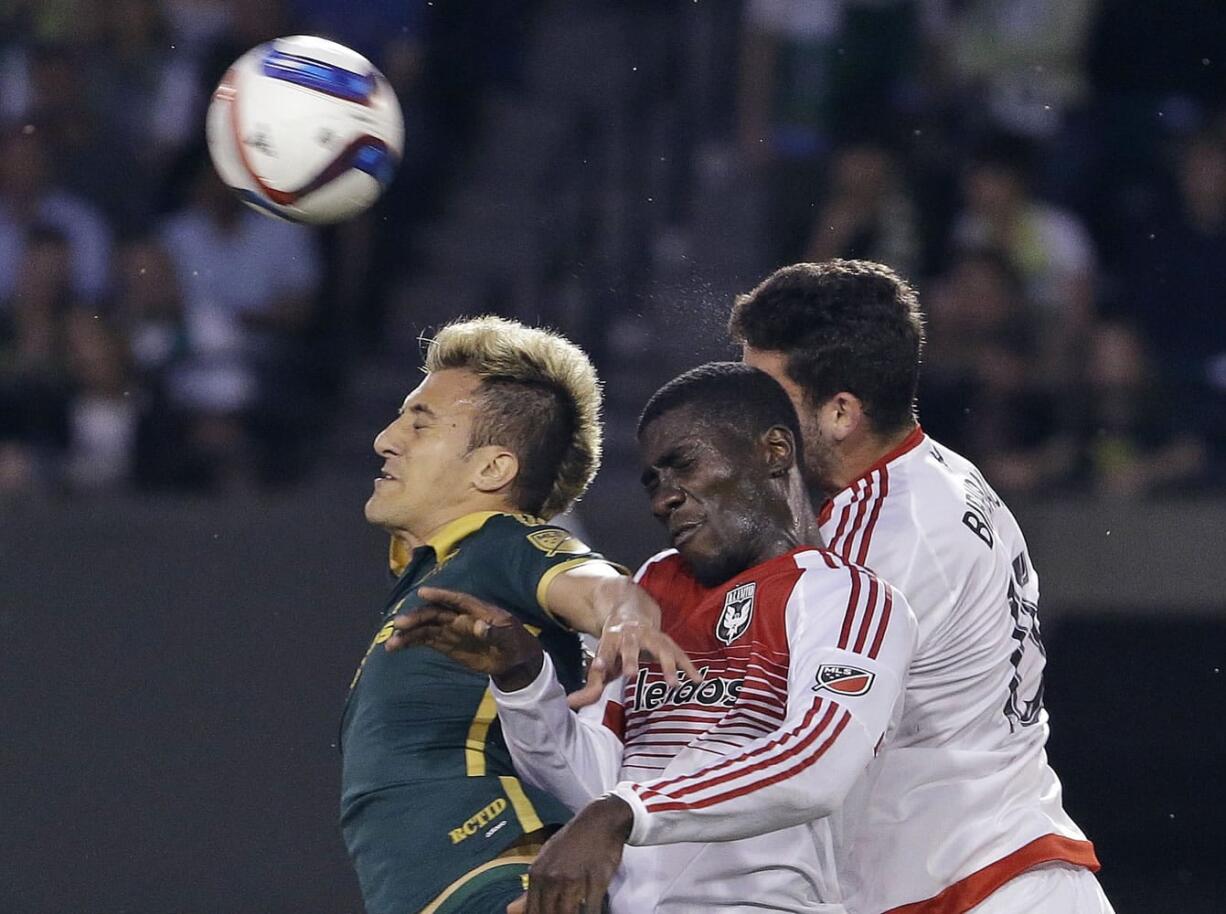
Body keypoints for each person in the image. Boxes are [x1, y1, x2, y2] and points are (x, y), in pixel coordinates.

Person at [393, 362, 920, 913]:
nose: (663, 499)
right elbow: (593, 783)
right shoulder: (653, 591)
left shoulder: (847, 596)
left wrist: (624, 813)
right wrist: (524, 681)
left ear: (775, 451)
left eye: (683, 464)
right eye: (652, 480)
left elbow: (817, 763)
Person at [733, 260, 1114, 914]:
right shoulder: (947, 477)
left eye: (765, 400)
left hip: (976, 889)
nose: (740, 423)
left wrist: (626, 809)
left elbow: (798, 752)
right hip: (1011, 875)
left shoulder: (877, 539)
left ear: (841, 412)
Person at [340, 315, 694, 914]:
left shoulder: (504, 542)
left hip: (497, 877)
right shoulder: (433, 575)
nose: (386, 438)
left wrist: (625, 618)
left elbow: (601, 586)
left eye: (419, 423)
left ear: (493, 470)